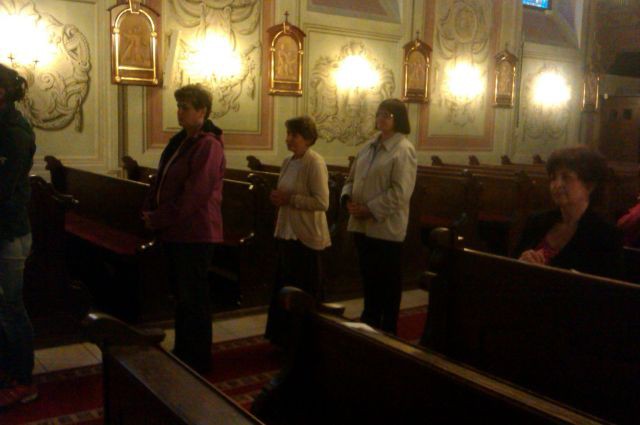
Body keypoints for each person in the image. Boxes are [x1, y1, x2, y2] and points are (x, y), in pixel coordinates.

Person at [142, 84, 225, 373]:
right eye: (178, 106)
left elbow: (195, 194)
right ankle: (183, 351)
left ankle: (197, 359)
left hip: (197, 232)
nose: (179, 112)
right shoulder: (182, 140)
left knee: (194, 299)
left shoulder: (208, 145)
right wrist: (151, 208)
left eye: (185, 107)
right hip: (178, 231)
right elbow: (162, 178)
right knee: (183, 297)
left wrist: (159, 218)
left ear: (202, 111)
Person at [341, 99, 417, 334]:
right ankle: (370, 322)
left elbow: (400, 192)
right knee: (369, 278)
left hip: (385, 228)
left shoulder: (403, 149)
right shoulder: (367, 147)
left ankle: (388, 329)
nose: (381, 118)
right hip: (361, 225)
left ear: (398, 119)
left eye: (387, 115)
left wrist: (370, 209)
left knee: (388, 282)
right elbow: (351, 179)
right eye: (379, 114)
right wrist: (348, 199)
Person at [264, 116, 331, 345]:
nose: (288, 139)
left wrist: (290, 199)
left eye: (294, 135)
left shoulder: (315, 162)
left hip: (306, 237)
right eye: (288, 134)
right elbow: (285, 194)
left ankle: (306, 341)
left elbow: (322, 202)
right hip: (287, 233)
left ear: (308, 138)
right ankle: (284, 338)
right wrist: (277, 198)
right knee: (285, 288)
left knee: (305, 291)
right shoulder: (288, 161)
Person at [516, 146, 623, 279]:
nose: (557, 185)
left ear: (589, 185)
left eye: (566, 177)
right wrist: (521, 262)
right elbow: (511, 266)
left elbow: (608, 288)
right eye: (553, 178)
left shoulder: (606, 235)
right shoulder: (536, 221)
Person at [0, 64, 38, 407]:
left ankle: (24, 380)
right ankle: (8, 370)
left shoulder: (15, 132)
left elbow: (4, 188)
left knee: (12, 308)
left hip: (9, 231)